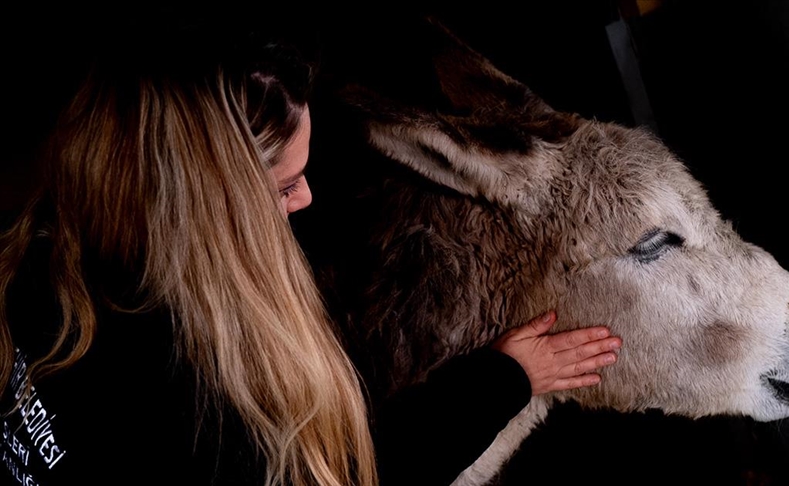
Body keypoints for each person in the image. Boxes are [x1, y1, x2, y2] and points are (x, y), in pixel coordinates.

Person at [0, 17, 621, 486]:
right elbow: (350, 475)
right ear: (205, 205)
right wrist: (505, 379)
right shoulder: (190, 396)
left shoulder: (44, 257)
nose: (306, 198)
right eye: (282, 187)